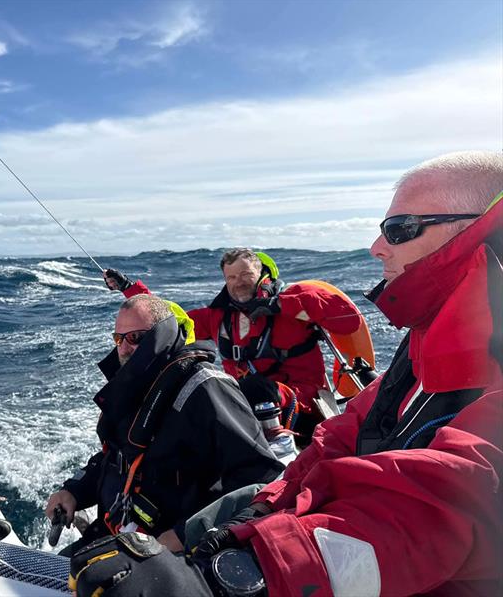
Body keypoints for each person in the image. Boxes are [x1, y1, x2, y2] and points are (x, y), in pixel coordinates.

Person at [180, 151, 503, 596]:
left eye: (399, 229)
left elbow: (461, 490)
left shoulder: (296, 305)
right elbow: (348, 429)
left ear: (480, 229)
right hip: (304, 481)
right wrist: (268, 507)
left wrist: (257, 568)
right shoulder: (424, 341)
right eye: (231, 276)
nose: (376, 247)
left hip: (294, 407)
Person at [45, 293, 284, 555]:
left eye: (135, 338)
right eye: (119, 338)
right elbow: (117, 457)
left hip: (171, 555)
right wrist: (75, 491)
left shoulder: (207, 388)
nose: (123, 348)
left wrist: (186, 535)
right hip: (116, 538)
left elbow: (262, 479)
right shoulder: (138, 387)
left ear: (162, 336)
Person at [105, 248, 363, 438]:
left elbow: (348, 320)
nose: (238, 282)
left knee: (255, 390)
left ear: (261, 274)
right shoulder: (219, 317)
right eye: (231, 277)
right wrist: (131, 289)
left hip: (303, 400)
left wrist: (280, 304)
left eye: (245, 274)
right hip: (243, 402)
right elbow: (171, 321)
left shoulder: (294, 303)